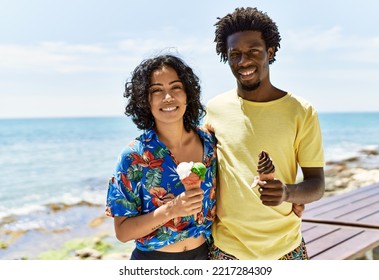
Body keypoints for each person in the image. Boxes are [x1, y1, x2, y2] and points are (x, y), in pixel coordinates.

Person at [204, 7, 325, 260]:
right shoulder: (214, 109)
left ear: (269, 52)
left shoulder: (301, 111)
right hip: (227, 250)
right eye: (234, 54)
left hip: (285, 248)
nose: (243, 61)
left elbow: (317, 184)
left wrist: (287, 193)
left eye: (253, 52)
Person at [105, 54, 217, 260]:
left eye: (176, 87)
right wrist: (171, 209)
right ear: (144, 100)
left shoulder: (210, 143)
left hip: (204, 256)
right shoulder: (134, 156)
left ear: (187, 94)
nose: (168, 97)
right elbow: (122, 232)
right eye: (157, 90)